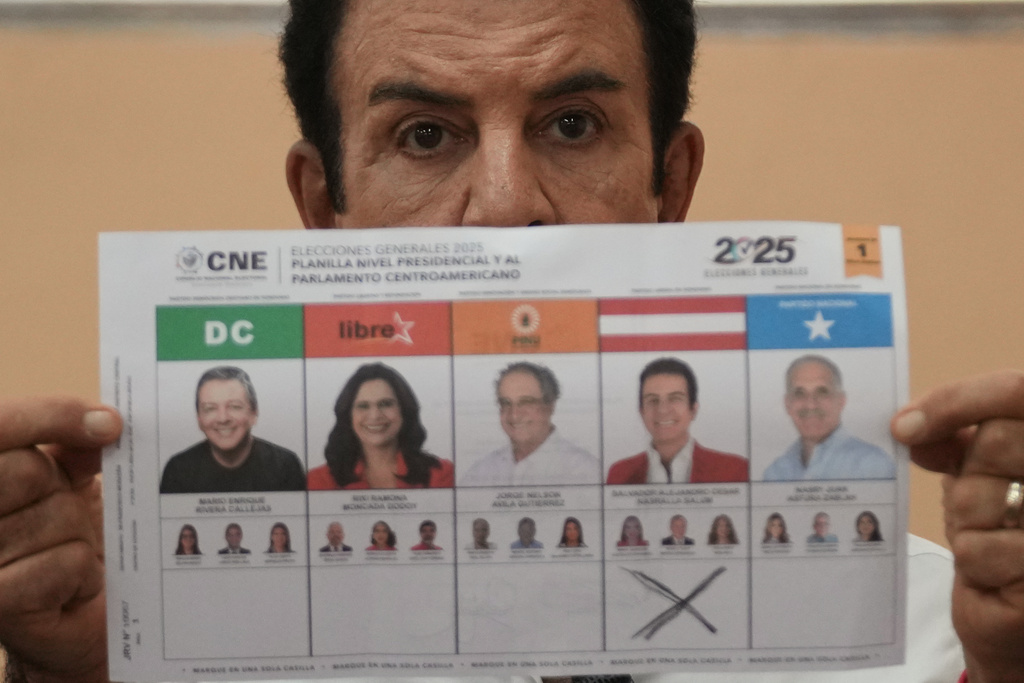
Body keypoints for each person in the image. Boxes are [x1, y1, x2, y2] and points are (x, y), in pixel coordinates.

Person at [1, 0, 1020, 681]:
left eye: (571, 125)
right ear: (324, 205)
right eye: (426, 135)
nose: (501, 208)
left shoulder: (927, 636)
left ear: (673, 187)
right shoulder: (170, 639)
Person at [158, 366, 306, 494]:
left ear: (253, 414)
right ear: (199, 419)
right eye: (210, 409)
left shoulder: (285, 466)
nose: (223, 418)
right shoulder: (178, 470)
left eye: (234, 406)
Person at [307, 363, 453, 490]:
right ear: (348, 415)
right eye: (363, 406)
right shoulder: (320, 480)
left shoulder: (441, 474)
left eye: (385, 404)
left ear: (404, 410)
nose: (375, 415)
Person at [607, 358, 748, 484]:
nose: (662, 410)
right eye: (653, 400)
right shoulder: (619, 474)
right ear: (641, 411)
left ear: (693, 409)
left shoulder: (734, 470)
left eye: (675, 398)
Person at [460, 362, 599, 486]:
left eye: (526, 402)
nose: (514, 415)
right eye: (506, 403)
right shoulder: (481, 471)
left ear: (550, 406)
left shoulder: (585, 471)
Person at [763, 355, 896, 482]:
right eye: (799, 394)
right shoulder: (775, 472)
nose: (811, 404)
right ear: (787, 404)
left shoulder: (873, 464)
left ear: (841, 401)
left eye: (822, 392)